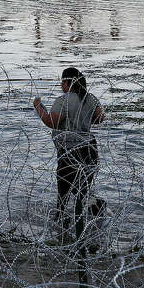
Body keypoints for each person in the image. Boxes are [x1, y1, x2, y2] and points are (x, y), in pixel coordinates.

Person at [33, 67, 106, 225]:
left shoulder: (64, 100)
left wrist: (38, 106)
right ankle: (95, 219)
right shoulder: (90, 98)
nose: (61, 85)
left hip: (69, 150)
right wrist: (81, 122)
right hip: (89, 149)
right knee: (82, 189)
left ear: (67, 83)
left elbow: (51, 122)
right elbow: (100, 118)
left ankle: (61, 223)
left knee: (64, 190)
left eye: (62, 82)